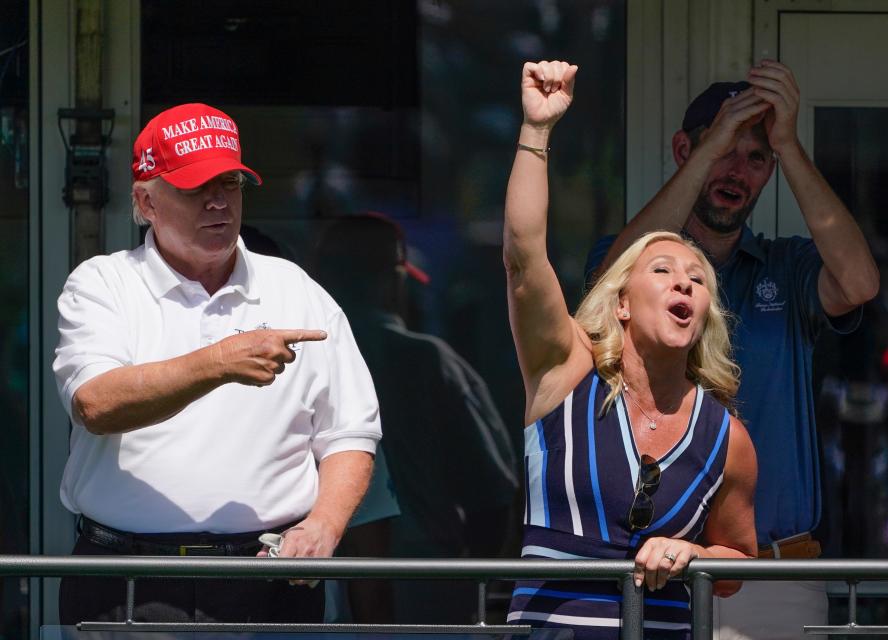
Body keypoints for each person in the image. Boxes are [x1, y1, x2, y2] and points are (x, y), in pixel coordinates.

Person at [52, 103, 380, 624]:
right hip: (130, 585)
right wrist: (220, 361)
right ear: (145, 201)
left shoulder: (295, 287)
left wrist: (325, 524)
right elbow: (95, 404)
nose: (216, 202)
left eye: (229, 183)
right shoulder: (103, 283)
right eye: (192, 187)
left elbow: (349, 433)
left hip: (271, 581)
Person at [599, 61, 880, 637]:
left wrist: (789, 147)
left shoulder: (788, 264)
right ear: (685, 150)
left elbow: (859, 284)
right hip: (647, 572)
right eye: (724, 150)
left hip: (775, 572)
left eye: (757, 159)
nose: (738, 170)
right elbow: (609, 280)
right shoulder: (634, 270)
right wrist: (715, 147)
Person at [504, 60, 757, 639]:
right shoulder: (566, 375)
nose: (684, 283)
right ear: (621, 303)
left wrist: (693, 556)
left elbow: (740, 562)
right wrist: (536, 131)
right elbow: (523, 256)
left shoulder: (728, 438)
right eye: (663, 270)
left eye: (697, 279)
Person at [314, 213, 518, 624]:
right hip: (425, 584)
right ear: (394, 282)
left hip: (317, 583)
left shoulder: (292, 359)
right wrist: (471, 579)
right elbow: (493, 494)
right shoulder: (432, 363)